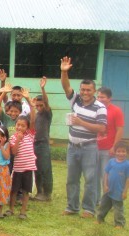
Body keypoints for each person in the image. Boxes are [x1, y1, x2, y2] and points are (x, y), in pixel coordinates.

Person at [60, 56, 107, 218]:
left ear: (94, 91)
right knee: (71, 179)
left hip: (89, 147)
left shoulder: (100, 107)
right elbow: (66, 87)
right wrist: (64, 72)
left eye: (88, 90)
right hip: (72, 146)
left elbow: (101, 128)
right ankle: (72, 207)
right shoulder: (76, 100)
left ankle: (88, 209)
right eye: (83, 90)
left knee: (90, 179)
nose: (85, 93)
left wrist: (81, 121)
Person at [8, 89, 37, 219]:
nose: (20, 128)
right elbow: (14, 152)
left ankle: (23, 211)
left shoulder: (30, 135)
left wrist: (31, 104)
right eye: (18, 125)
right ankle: (11, 209)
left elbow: (33, 119)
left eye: (23, 126)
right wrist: (18, 139)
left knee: (26, 191)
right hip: (18, 168)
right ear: (15, 126)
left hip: (29, 168)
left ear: (27, 127)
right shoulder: (13, 138)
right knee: (14, 190)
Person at [96, 87, 124, 203]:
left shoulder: (116, 111)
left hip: (108, 149)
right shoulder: (95, 109)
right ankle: (96, 200)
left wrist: (114, 146)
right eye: (98, 97)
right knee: (94, 176)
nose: (99, 99)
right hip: (93, 148)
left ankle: (107, 200)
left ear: (109, 98)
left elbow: (120, 130)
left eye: (102, 97)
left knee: (106, 175)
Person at [96, 142, 129, 229]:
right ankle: (99, 218)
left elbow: (127, 179)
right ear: (114, 152)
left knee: (118, 209)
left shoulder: (127, 165)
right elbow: (106, 173)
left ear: (127, 153)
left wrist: (125, 191)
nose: (121, 153)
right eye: (118, 151)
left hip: (119, 191)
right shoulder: (111, 162)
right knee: (103, 205)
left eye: (123, 151)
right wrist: (105, 185)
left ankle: (119, 224)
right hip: (108, 189)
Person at [33, 77, 53, 201]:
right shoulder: (35, 115)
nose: (39, 107)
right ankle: (39, 192)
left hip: (43, 144)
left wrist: (43, 88)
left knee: (45, 168)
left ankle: (47, 193)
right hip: (34, 144)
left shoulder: (46, 114)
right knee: (36, 169)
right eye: (37, 105)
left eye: (41, 105)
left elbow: (46, 102)